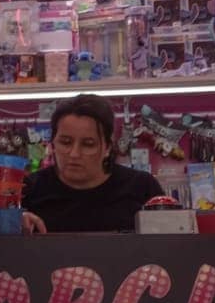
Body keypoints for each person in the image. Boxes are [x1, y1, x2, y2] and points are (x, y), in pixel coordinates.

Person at [23, 94, 164, 234]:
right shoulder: (29, 190)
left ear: (107, 148)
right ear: (52, 144)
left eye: (88, 145)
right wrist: (11, 224)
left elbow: (170, 247)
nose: (74, 154)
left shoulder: (142, 187)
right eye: (65, 142)